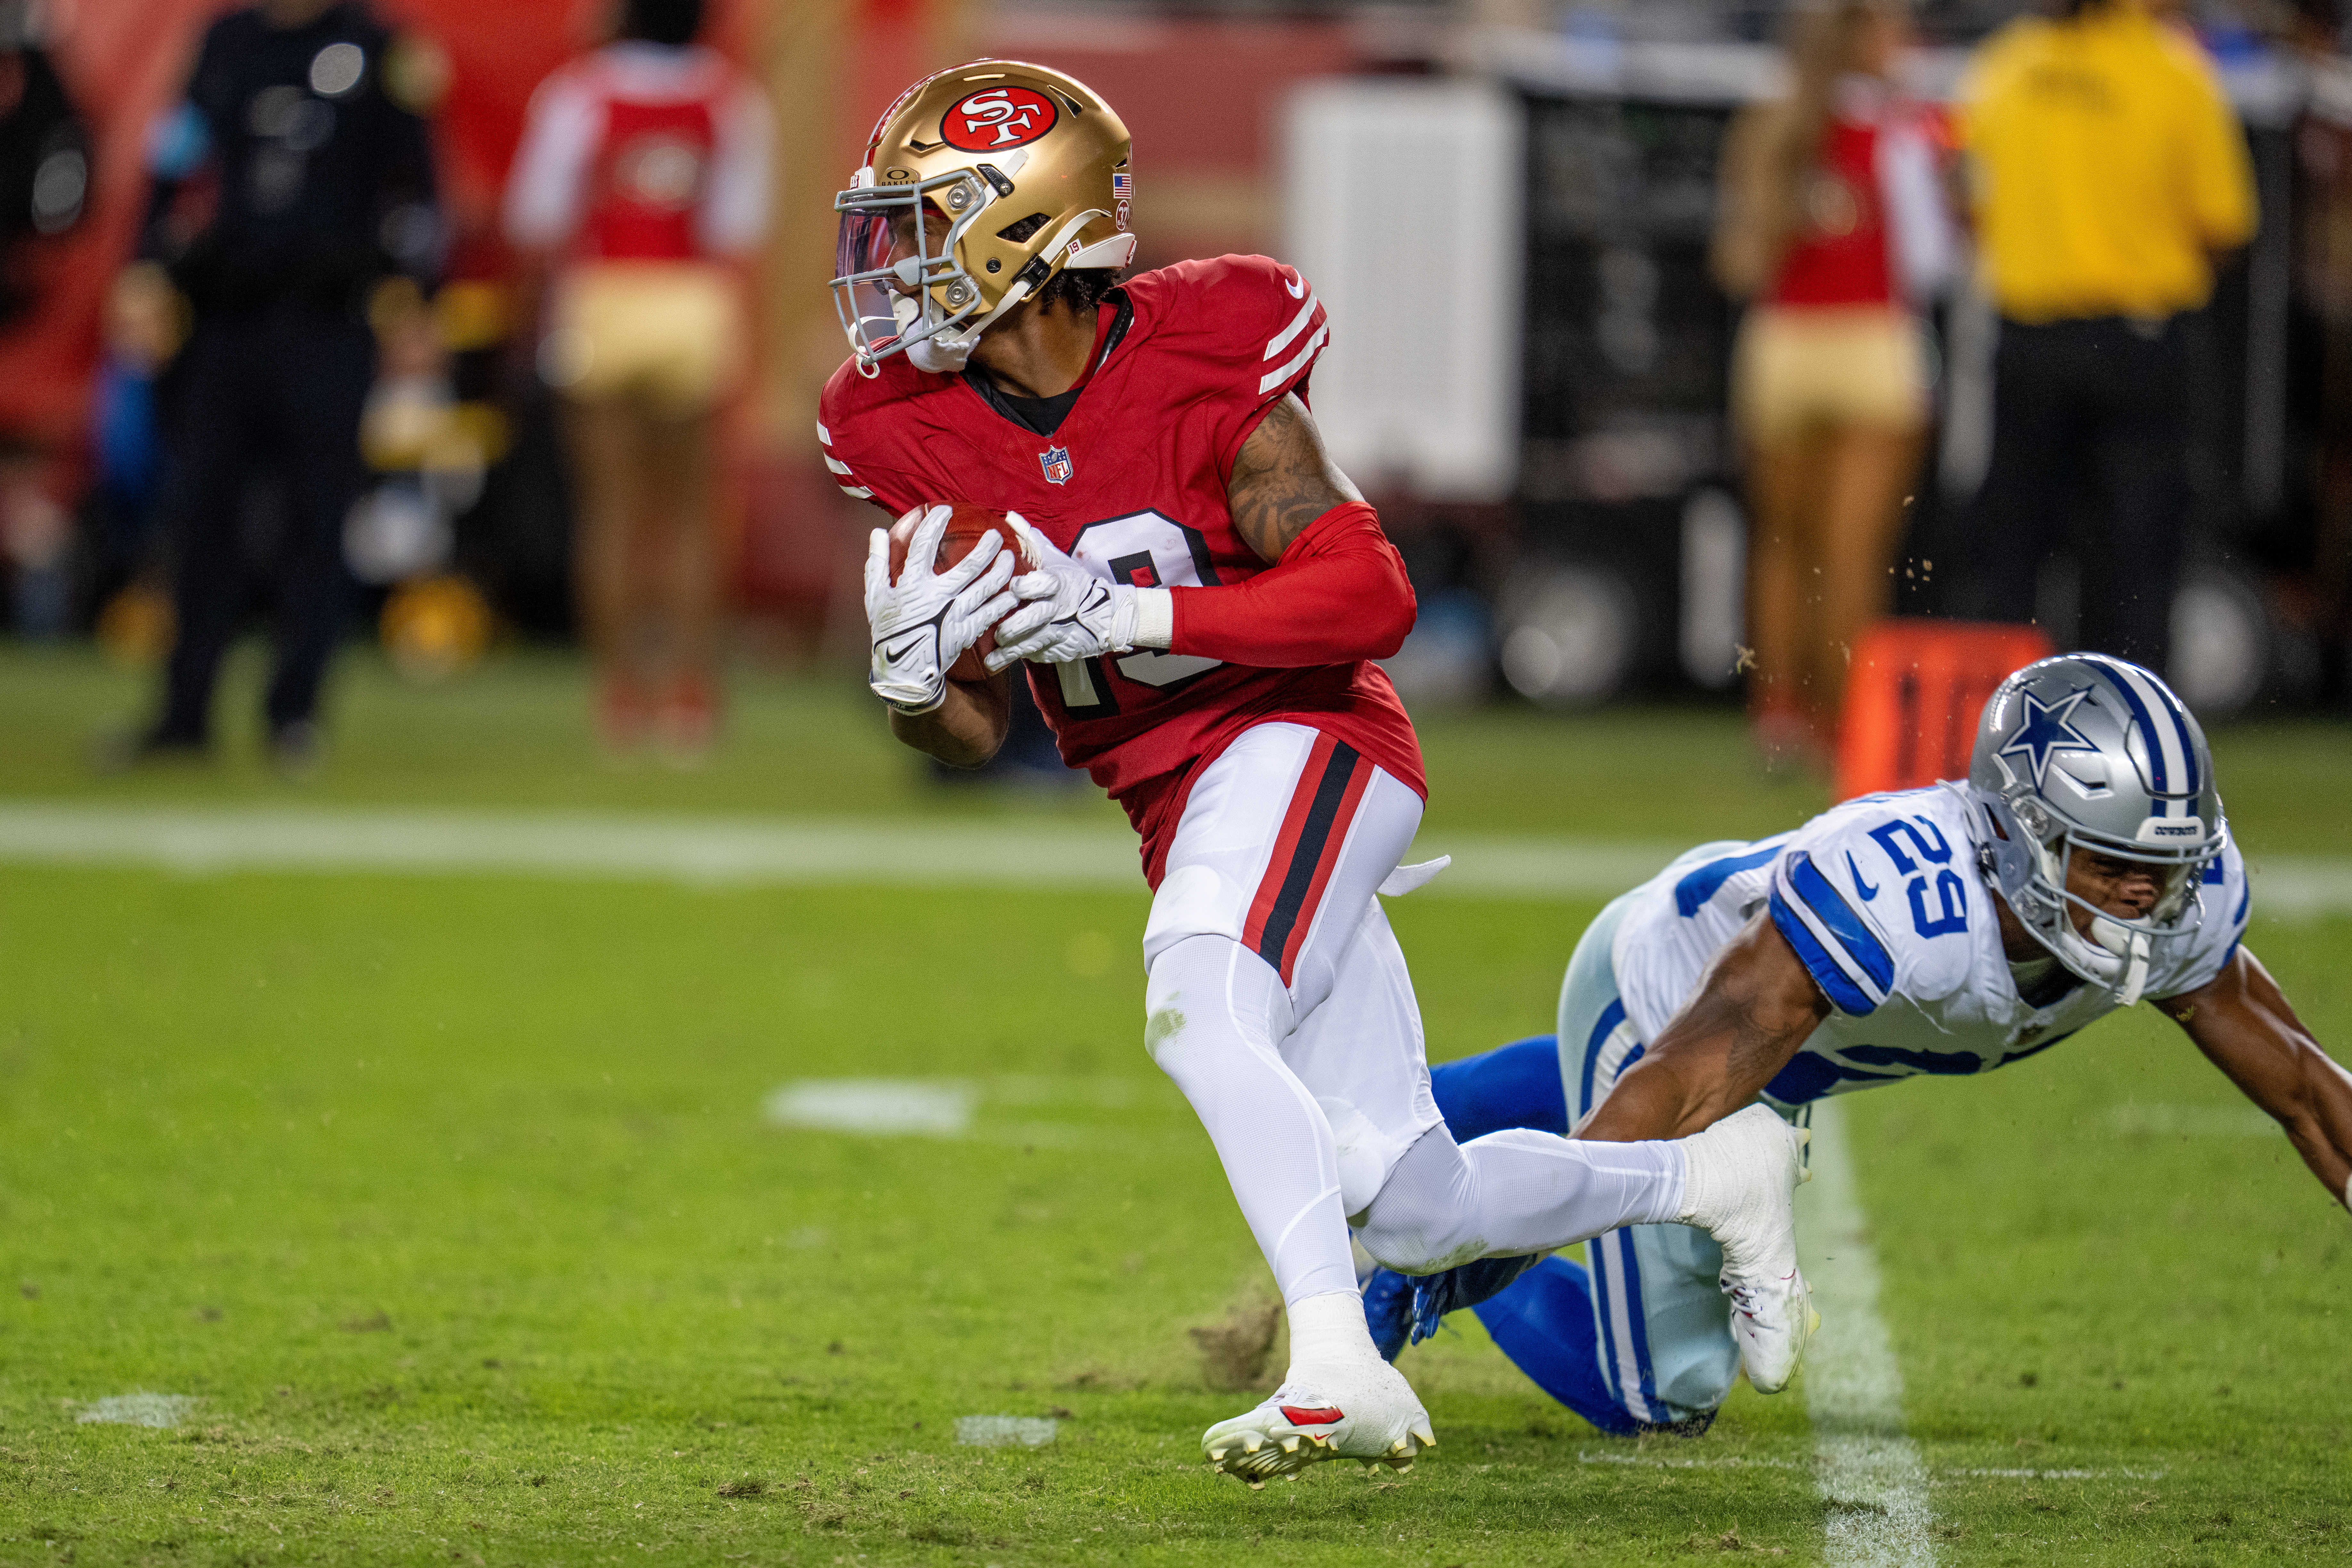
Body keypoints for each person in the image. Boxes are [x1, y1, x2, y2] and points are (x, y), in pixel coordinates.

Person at [821, 61, 1818, 1484]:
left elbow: (1368, 600)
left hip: (1312, 744)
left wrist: (1137, 616)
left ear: (1021, 237)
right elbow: (980, 727)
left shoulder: (1204, 345)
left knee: (1195, 995)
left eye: (920, 227)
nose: (888, 269)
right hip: (1183, 805)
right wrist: (913, 696)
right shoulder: (896, 424)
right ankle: (1715, 1176)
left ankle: (1332, 1362)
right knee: (1412, 1203)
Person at [1357, 653, 2352, 1438]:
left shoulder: (2176, 915)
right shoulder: (1904, 905)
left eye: (2165, 865)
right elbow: (1679, 1085)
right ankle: (1417, 1254)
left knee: (1643, 1171)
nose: (2146, 897)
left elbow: (2308, 1094)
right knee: (1664, 1389)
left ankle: (1443, 1113)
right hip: (1664, 1005)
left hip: (1779, 1056)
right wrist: (1483, 1241)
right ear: (2014, 832)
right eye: (2111, 860)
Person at [110, 0, 441, 773]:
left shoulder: (378, 50)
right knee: (201, 518)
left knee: (316, 520)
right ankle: (183, 711)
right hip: (229, 314)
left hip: (328, 320)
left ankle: (294, 711)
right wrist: (148, 266)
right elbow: (176, 159)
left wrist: (413, 297)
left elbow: (418, 189)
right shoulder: (227, 43)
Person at [1950, 0, 2257, 673]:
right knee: (2136, 553)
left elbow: (1966, 202)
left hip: (2028, 338)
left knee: (2013, 551)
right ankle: (2130, 739)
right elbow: (2224, 223)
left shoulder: (2004, 66)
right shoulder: (2173, 70)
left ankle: (2003, 734)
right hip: (2138, 339)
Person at [505, 0, 770, 762]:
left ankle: (622, 695)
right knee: (690, 510)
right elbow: (738, 227)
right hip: (691, 301)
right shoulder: (731, 98)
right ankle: (689, 694)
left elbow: (537, 215)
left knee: (611, 511)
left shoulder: (579, 92)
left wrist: (531, 324)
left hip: (603, 299)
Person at [1711, 0, 1959, 767]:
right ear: (1861, 40)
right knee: (1852, 553)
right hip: (1872, 343)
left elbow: (1737, 265)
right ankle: (1841, 722)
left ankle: (1777, 714)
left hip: (1782, 345)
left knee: (1783, 544)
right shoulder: (1905, 127)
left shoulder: (1771, 124)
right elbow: (1933, 265)